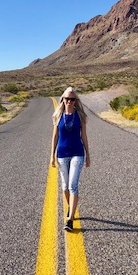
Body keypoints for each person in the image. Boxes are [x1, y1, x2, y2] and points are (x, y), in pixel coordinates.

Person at [50, 87, 91, 232]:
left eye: (72, 99)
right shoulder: (58, 115)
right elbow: (55, 136)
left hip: (77, 154)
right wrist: (51, 156)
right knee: (65, 187)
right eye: (67, 99)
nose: (69, 101)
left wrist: (88, 155)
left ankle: (70, 219)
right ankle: (70, 208)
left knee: (73, 185)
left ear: (76, 101)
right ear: (63, 99)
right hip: (62, 154)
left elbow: (84, 136)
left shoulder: (80, 116)